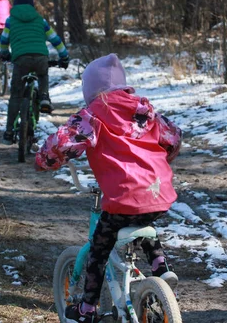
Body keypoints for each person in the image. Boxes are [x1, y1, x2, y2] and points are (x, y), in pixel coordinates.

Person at [34, 54, 182, 323]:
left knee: (99, 250)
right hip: (157, 191)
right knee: (143, 214)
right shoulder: (144, 111)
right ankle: (160, 267)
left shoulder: (93, 114)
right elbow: (172, 137)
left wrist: (44, 160)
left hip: (123, 196)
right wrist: (161, 159)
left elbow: (64, 142)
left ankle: (87, 308)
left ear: (91, 90)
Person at [0, 0, 69, 144]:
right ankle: (44, 97)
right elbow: (55, 40)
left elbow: (3, 40)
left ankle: (9, 131)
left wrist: (4, 53)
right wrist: (64, 57)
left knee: (16, 95)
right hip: (40, 57)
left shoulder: (10, 21)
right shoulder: (40, 20)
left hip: (20, 59)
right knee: (42, 75)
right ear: (32, 4)